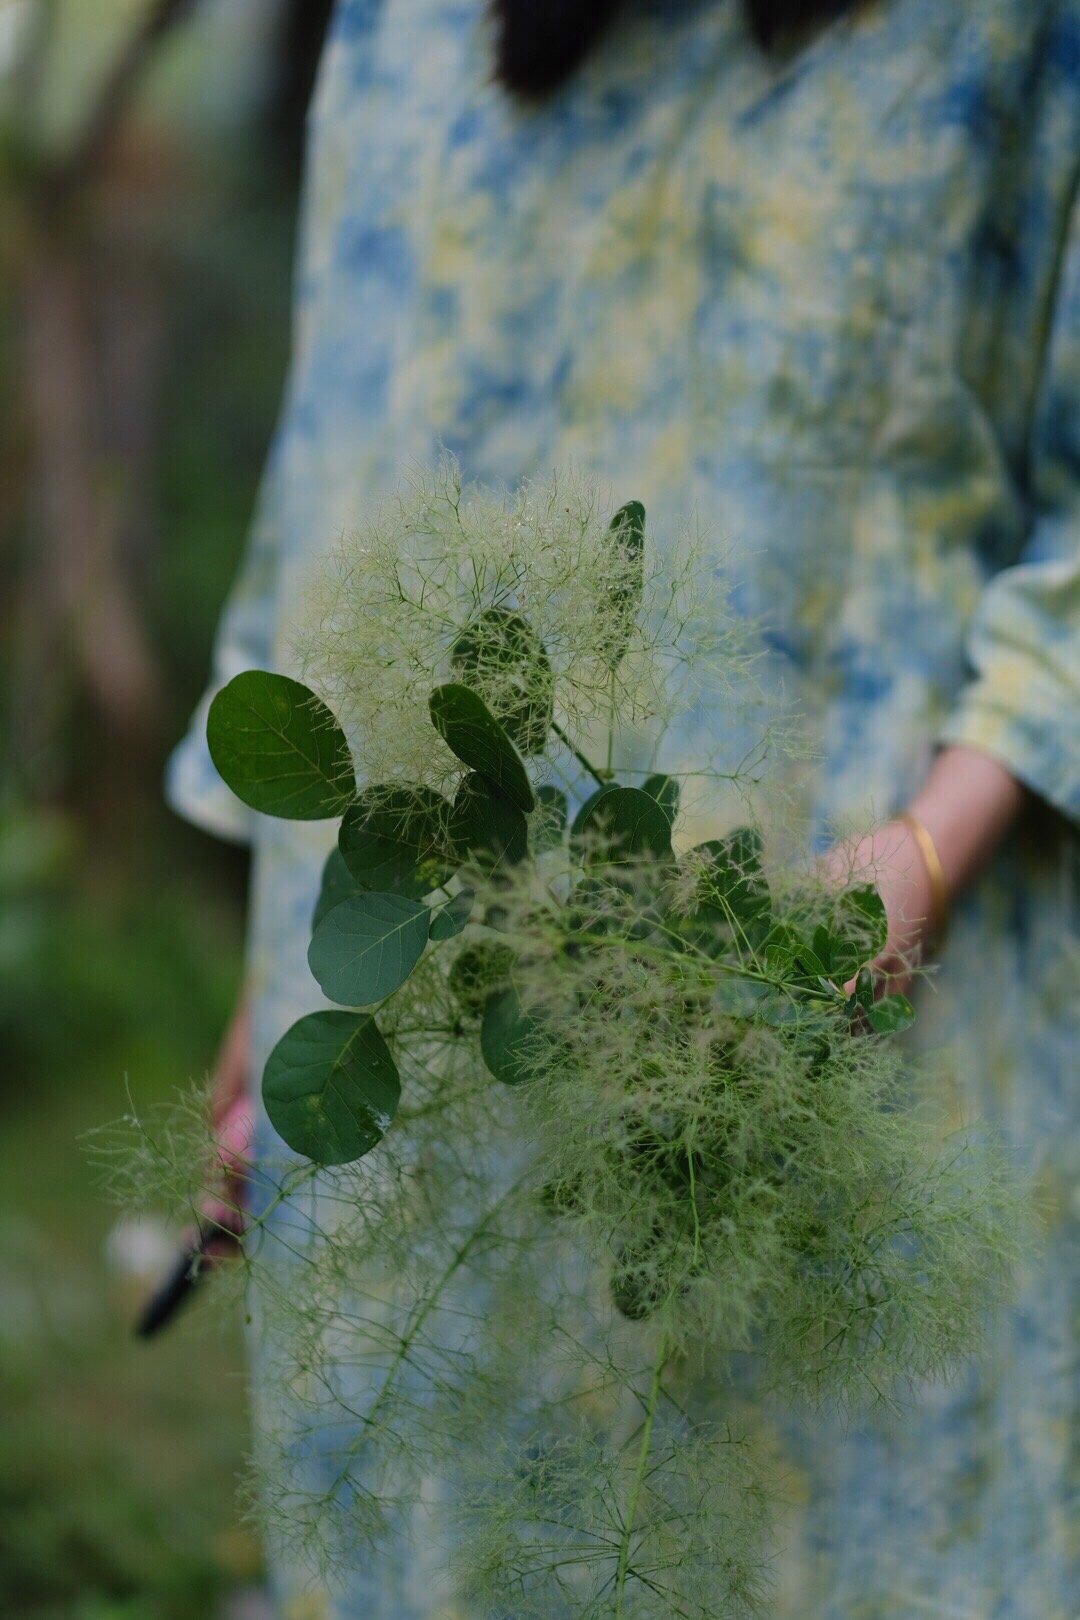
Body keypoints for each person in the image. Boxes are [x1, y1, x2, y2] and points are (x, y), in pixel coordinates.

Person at [169, 0, 1078, 1614]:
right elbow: (336, 449)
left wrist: (934, 842)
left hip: (829, 1070)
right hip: (429, 1056)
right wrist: (288, 965)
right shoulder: (407, 23)